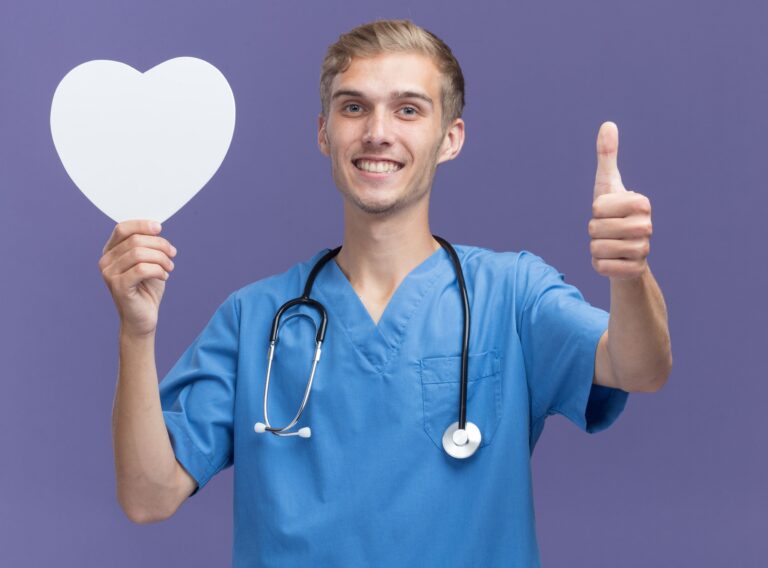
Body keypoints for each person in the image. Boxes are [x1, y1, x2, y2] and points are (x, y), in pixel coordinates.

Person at [100, 19, 672, 567]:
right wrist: (137, 331)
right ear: (324, 133)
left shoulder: (512, 296)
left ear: (450, 138)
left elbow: (640, 368)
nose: (377, 131)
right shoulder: (255, 319)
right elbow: (149, 497)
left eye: (407, 109)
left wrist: (630, 275)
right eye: (354, 107)